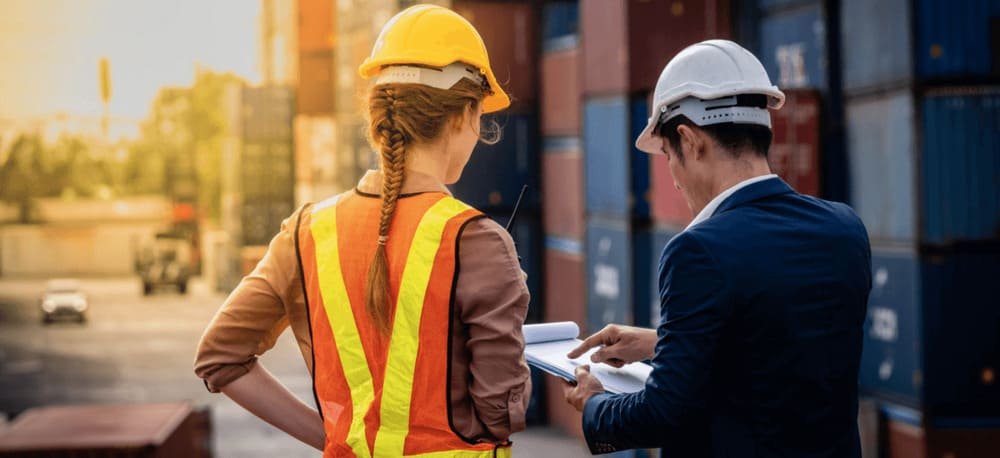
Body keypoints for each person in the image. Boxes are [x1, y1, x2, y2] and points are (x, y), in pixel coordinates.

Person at [194, 5, 531, 457]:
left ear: (379, 118)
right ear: (462, 116)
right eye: (479, 117)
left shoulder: (306, 232)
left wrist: (334, 439)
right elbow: (498, 414)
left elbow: (219, 358)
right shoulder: (478, 241)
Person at [563, 39, 872, 457]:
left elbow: (663, 413)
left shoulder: (698, 251)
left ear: (690, 141)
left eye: (669, 155)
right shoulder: (844, 229)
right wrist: (664, 343)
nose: (672, 177)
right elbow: (780, 344)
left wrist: (594, 403)